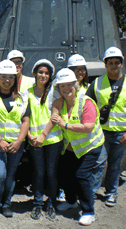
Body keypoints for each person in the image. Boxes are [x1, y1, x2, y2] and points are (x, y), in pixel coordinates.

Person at [49, 68, 104, 226]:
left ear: (75, 85)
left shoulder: (85, 102)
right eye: (62, 86)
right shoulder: (62, 103)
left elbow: (88, 126)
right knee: (65, 173)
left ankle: (88, 211)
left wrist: (65, 124)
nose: (66, 89)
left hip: (90, 146)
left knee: (81, 175)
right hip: (71, 147)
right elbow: (54, 112)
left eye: (69, 85)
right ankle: (71, 201)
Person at [0, 60, 30, 221]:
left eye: (10, 77)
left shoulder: (23, 98)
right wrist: (0, 140)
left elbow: (26, 121)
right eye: (3, 77)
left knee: (10, 175)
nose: (7, 80)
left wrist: (18, 141)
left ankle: (6, 204)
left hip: (17, 143)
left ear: (15, 79)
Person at [86, 47, 126, 207]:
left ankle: (111, 192)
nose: (114, 65)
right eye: (111, 63)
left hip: (121, 134)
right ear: (105, 64)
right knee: (98, 163)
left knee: (115, 166)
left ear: (121, 64)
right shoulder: (97, 83)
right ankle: (91, 193)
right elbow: (88, 106)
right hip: (101, 133)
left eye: (117, 63)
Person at [66, 54, 107, 198]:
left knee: (100, 162)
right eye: (76, 69)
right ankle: (67, 193)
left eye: (82, 69)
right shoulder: (65, 88)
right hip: (72, 136)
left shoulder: (90, 87)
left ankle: (91, 192)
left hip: (89, 136)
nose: (80, 73)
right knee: (70, 168)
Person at [26, 59, 63, 220]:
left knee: (51, 173)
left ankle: (51, 203)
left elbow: (55, 116)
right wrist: (29, 135)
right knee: (39, 173)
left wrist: (43, 135)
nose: (43, 75)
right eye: (40, 72)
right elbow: (23, 117)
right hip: (34, 140)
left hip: (52, 140)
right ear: (34, 73)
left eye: (47, 73)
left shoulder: (55, 92)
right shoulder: (26, 93)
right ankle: (38, 203)